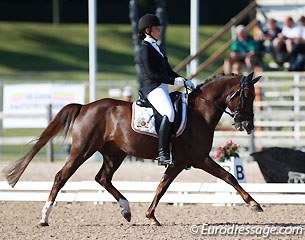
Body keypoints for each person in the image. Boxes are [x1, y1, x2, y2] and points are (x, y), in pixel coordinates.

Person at [136, 13, 195, 166]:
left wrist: (184, 80)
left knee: (181, 106)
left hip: (162, 86)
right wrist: (174, 81)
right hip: (153, 88)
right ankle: (162, 153)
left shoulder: (157, 47)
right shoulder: (145, 49)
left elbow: (168, 71)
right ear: (147, 30)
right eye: (156, 28)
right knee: (169, 112)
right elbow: (152, 75)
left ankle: (178, 149)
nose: (159, 30)